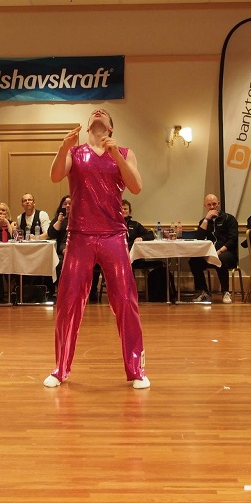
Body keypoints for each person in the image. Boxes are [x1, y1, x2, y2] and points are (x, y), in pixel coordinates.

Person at [44, 108, 149, 389]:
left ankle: (136, 369)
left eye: (104, 114)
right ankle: (60, 368)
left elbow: (136, 187)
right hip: (79, 236)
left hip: (114, 235)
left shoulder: (124, 153)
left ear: (110, 128)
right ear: (89, 126)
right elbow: (55, 176)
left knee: (125, 300)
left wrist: (116, 156)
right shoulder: (75, 152)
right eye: (93, 114)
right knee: (68, 302)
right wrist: (63, 147)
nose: (98, 112)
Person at [190, 194, 239, 304]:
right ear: (205, 206)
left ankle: (225, 292)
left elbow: (233, 240)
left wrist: (219, 251)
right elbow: (199, 238)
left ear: (218, 204)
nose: (212, 207)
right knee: (194, 261)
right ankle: (204, 292)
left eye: (214, 204)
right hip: (209, 253)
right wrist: (207, 219)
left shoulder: (229, 219)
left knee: (220, 259)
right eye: (209, 205)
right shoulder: (204, 221)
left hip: (227, 252)